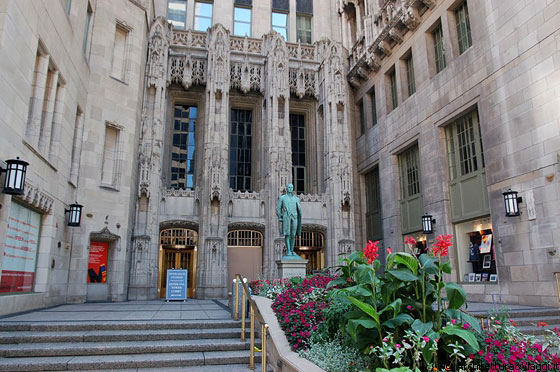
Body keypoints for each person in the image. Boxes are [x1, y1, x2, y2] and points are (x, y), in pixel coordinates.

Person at [276, 183, 302, 258]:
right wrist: (280, 217)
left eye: (291, 187)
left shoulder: (296, 199)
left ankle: (291, 250)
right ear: (286, 188)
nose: (290, 188)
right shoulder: (282, 198)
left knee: (293, 234)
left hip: (294, 217)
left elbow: (299, 209)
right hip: (286, 217)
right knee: (287, 234)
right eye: (289, 187)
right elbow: (278, 208)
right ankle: (288, 250)